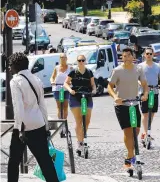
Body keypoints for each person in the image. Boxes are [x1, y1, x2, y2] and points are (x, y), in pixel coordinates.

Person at [7, 52, 59, 182]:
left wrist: (19, 129)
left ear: (15, 66)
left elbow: (18, 107)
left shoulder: (15, 81)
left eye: (10, 65)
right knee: (45, 161)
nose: (9, 68)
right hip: (39, 124)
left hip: (23, 126)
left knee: (13, 161)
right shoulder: (36, 79)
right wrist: (45, 125)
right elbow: (42, 104)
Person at [107, 47, 148, 168]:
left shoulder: (138, 69)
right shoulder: (117, 70)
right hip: (121, 104)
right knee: (128, 131)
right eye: (124, 56)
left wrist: (145, 94)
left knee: (136, 131)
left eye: (128, 56)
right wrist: (115, 97)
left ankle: (129, 157)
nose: (126, 58)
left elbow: (145, 85)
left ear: (133, 57)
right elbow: (110, 87)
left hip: (134, 103)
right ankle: (131, 156)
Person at [64, 55, 96, 153]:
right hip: (76, 97)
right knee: (78, 121)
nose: (81, 62)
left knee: (87, 121)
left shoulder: (89, 72)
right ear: (77, 61)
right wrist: (70, 90)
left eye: (83, 60)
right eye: (79, 60)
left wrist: (94, 90)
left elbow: (93, 84)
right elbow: (66, 83)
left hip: (87, 96)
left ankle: (82, 138)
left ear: (85, 61)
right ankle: (80, 142)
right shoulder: (73, 71)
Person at [138, 47, 160, 142]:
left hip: (154, 91)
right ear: (144, 55)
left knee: (152, 113)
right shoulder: (140, 66)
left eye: (150, 54)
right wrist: (141, 83)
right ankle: (146, 133)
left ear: (153, 55)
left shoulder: (157, 66)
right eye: (147, 54)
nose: (149, 55)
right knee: (145, 113)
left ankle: (147, 132)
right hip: (144, 92)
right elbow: (136, 79)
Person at [50, 53, 72, 137]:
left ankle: (64, 125)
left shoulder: (70, 68)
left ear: (66, 58)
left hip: (66, 89)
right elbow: (52, 77)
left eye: (64, 57)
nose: (63, 59)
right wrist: (52, 82)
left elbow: (72, 77)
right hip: (58, 89)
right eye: (61, 57)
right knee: (59, 107)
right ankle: (61, 125)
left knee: (65, 107)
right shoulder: (56, 68)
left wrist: (71, 82)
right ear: (59, 59)